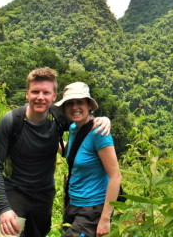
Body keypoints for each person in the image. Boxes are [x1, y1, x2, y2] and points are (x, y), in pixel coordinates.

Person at [0, 67, 111, 237]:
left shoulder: (58, 118)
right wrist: (3, 208)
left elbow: (83, 127)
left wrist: (103, 120)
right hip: (15, 192)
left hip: (44, 196)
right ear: (27, 94)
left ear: (54, 96)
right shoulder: (11, 121)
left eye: (46, 93)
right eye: (35, 92)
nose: (40, 97)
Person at [55, 81, 121, 237]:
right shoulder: (73, 129)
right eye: (69, 103)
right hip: (72, 203)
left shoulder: (99, 132)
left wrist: (105, 218)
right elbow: (74, 153)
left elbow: (115, 176)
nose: (74, 107)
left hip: (92, 209)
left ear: (89, 105)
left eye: (80, 102)